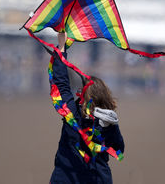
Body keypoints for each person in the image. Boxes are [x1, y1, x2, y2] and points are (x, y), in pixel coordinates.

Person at [50, 32, 125, 184]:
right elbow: (119, 149)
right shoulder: (110, 121)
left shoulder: (73, 115)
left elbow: (61, 85)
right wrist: (110, 126)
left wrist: (61, 47)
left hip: (65, 178)